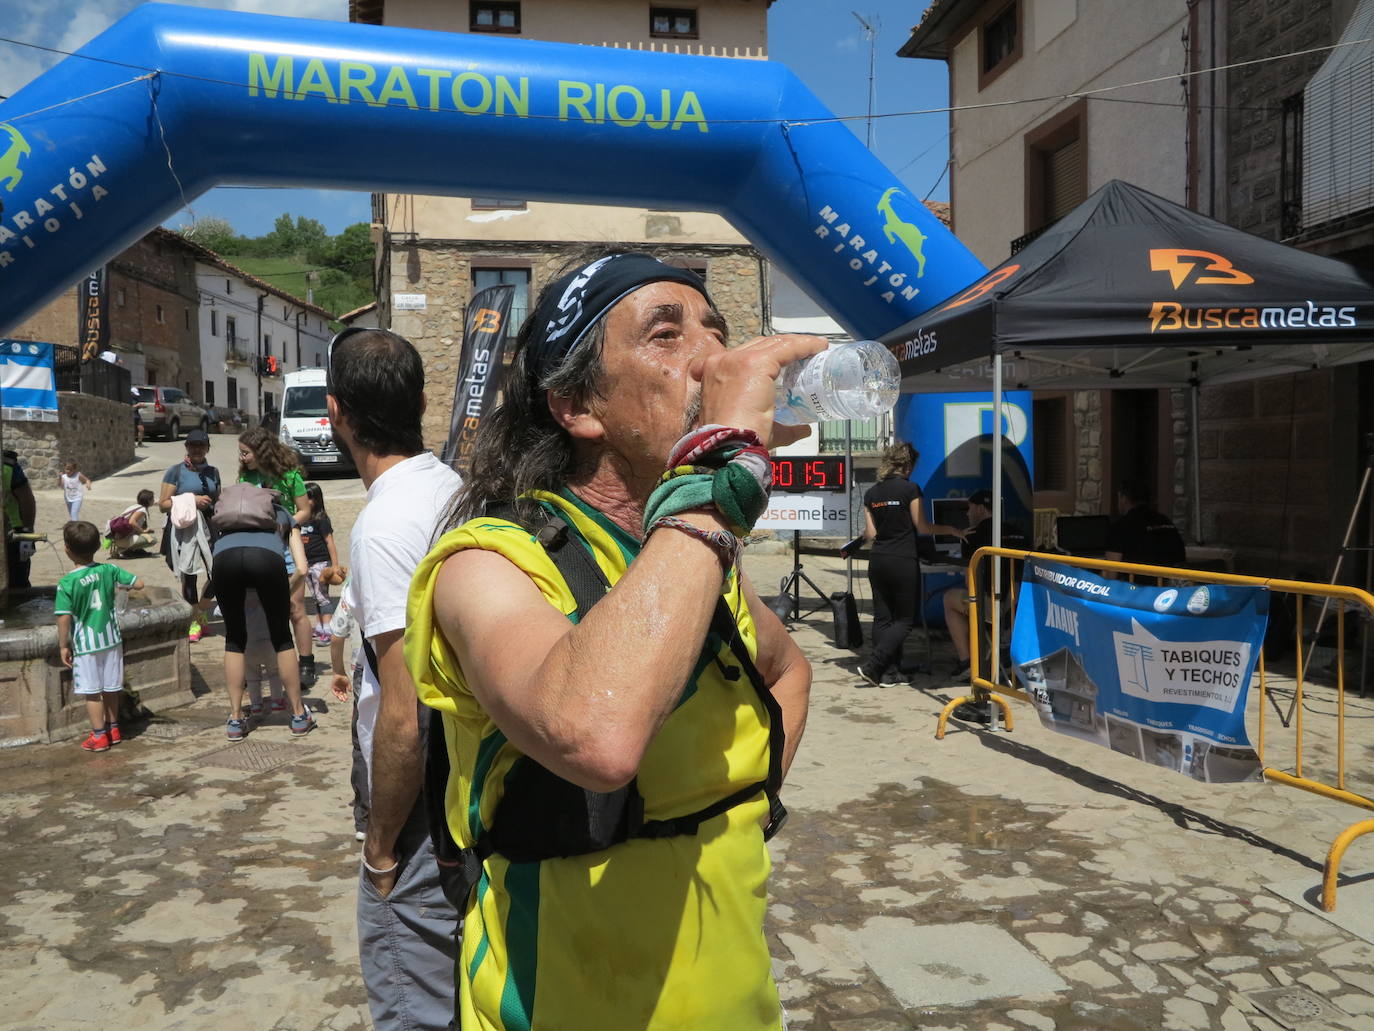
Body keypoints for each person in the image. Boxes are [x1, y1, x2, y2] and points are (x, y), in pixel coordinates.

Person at [405, 250, 815, 1029]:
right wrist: (714, 485)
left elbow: (787, 668)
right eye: (666, 335)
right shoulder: (487, 565)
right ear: (577, 407)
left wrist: (744, 808)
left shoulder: (698, 561)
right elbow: (596, 736)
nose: (713, 358)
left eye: (715, 330)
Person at [326, 327, 461, 1030]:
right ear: (423, 401)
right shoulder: (453, 488)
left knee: (415, 1005)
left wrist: (380, 846)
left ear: (334, 412)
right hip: (462, 805)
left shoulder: (384, 526)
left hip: (417, 823)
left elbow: (405, 710)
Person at [851, 442, 966, 687]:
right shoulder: (910, 489)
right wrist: (951, 530)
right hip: (902, 559)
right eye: (912, 465)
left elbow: (870, 533)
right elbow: (922, 527)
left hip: (878, 559)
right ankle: (874, 666)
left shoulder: (872, 493)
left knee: (883, 619)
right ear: (906, 465)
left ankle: (889, 673)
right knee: (905, 620)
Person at [210, 484, 314, 742]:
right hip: (266, 559)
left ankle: (235, 718)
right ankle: (299, 715)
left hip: (225, 560)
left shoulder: (226, 520)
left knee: (234, 638)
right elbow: (301, 569)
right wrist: (279, 592)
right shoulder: (282, 513)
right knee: (281, 637)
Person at [236, 427, 317, 685]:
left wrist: (285, 524)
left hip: (286, 544)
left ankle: (306, 664)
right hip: (257, 546)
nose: (242, 457)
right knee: (260, 610)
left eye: (246, 452)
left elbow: (305, 510)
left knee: (295, 609)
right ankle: (268, 666)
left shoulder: (290, 475)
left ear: (261, 451)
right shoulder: (246, 476)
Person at [55, 521, 144, 752]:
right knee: (111, 687)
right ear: (97, 545)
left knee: (92, 692)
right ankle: (114, 728)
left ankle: (99, 736)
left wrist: (63, 645)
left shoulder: (67, 583)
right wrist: (124, 588)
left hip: (87, 645)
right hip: (111, 640)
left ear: (67, 549)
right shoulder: (109, 570)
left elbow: (63, 617)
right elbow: (139, 583)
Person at [942, 488, 1031, 680]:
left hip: (994, 607)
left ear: (981, 509)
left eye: (970, 508)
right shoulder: (1019, 533)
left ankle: (967, 662)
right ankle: (999, 650)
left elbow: (970, 582)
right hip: (1020, 608)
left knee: (950, 598)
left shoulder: (971, 536)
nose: (967, 513)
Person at [159, 429, 219, 641]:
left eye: (201, 445)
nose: (197, 449)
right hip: (184, 528)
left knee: (219, 572)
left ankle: (200, 611)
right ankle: (194, 621)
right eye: (193, 445)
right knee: (189, 575)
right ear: (186, 447)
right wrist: (191, 500)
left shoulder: (214, 472)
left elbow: (217, 499)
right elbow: (163, 505)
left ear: (207, 448)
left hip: (210, 526)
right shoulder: (175, 472)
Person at [1106, 479, 1187, 572]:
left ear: (1123, 498)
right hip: (1172, 584)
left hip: (1137, 584)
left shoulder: (1119, 527)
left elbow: (1110, 574)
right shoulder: (1165, 521)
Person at [299, 482, 340, 643]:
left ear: (315, 500)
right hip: (307, 563)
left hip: (321, 562)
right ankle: (320, 626)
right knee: (316, 597)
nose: (303, 500)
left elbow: (330, 542)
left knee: (322, 596)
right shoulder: (302, 518)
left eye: (307, 498)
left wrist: (334, 565)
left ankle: (328, 628)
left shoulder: (321, 519)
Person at [242, 589, 286, 719]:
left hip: (247, 643)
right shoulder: (269, 595)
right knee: (274, 673)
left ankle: (256, 704)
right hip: (269, 641)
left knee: (252, 677)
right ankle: (277, 701)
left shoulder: (240, 597)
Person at [3, 449, 37, 589]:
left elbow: (26, 499)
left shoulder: (7, 466)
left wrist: (27, 534)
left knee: (17, 585)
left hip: (12, 533)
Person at [108, 490, 158, 557]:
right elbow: (132, 522)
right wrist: (143, 531)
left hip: (118, 538)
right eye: (152, 499)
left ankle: (126, 549)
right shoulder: (142, 510)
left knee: (144, 535)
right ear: (148, 501)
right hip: (123, 539)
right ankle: (125, 550)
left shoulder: (135, 506)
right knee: (152, 540)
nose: (154, 500)